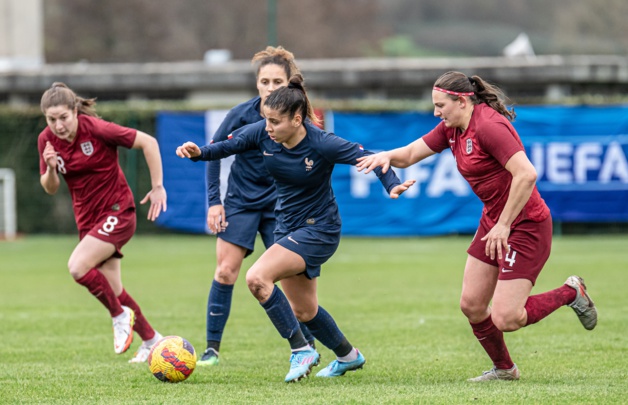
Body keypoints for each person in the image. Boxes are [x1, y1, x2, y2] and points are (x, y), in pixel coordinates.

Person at [356, 71, 597, 382]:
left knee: (507, 317)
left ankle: (570, 292)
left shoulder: (489, 126)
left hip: (525, 225)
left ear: (462, 101)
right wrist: (384, 156)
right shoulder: (452, 127)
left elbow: (527, 175)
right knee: (472, 305)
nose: (436, 112)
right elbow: (412, 154)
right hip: (494, 223)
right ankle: (505, 370)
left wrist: (505, 225)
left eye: (440, 105)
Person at [176, 74, 415, 382]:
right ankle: (348, 355)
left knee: (257, 278)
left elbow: (370, 157)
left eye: (275, 122)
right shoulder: (262, 132)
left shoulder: (322, 142)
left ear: (298, 119)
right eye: (266, 120)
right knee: (304, 310)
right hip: (286, 226)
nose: (268, 127)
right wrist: (199, 153)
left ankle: (300, 349)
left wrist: (392, 185)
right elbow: (224, 147)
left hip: (320, 229)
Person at [198, 46, 317, 367]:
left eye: (277, 81)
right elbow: (213, 152)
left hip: (283, 206)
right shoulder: (241, 115)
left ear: (289, 83)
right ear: (257, 84)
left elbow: (319, 158)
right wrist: (214, 202)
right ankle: (211, 350)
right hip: (241, 202)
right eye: (264, 81)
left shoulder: (300, 119)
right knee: (225, 271)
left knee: (290, 280)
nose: (270, 88)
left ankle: (308, 344)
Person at [38, 82, 166, 363]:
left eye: (63, 118)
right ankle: (152, 340)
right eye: (51, 119)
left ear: (75, 111)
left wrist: (158, 186)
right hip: (88, 221)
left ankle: (120, 316)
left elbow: (149, 142)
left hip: (118, 211)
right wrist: (49, 167)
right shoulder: (46, 140)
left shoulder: (96, 129)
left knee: (77, 267)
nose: (58, 125)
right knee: (114, 288)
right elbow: (49, 187)